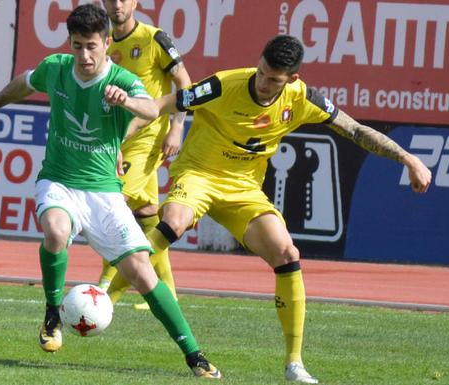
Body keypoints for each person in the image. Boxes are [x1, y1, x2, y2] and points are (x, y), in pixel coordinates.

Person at [138, 35, 432, 384]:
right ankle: (105, 297)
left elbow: (354, 129)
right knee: (173, 222)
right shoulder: (224, 83)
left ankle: (294, 364)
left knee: (286, 252)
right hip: (199, 175)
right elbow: (165, 104)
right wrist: (128, 108)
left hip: (244, 189)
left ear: (291, 79)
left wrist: (408, 158)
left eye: (274, 79)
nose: (263, 83)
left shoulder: (302, 97)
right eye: (262, 73)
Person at [0, 4, 220, 379]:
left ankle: (194, 354)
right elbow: (24, 82)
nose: (84, 55)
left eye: (91, 46)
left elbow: (150, 109)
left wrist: (126, 101)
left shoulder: (121, 79)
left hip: (104, 191)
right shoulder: (56, 69)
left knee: (142, 272)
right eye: (77, 46)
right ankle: (53, 314)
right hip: (59, 180)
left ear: (106, 43)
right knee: (56, 230)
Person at [97, 0, 192, 311]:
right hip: (116, 137)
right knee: (148, 214)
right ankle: (169, 290)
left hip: (147, 137)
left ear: (135, 2)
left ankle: (105, 290)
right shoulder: (102, 42)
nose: (116, 5)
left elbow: (184, 84)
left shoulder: (156, 39)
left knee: (113, 203)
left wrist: (177, 127)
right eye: (110, 0)